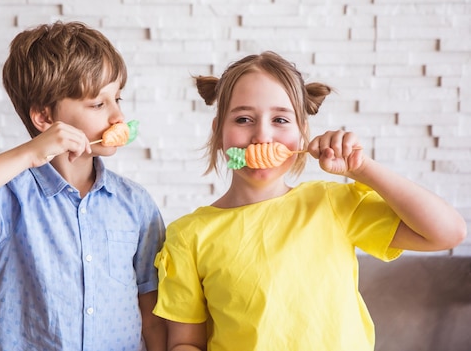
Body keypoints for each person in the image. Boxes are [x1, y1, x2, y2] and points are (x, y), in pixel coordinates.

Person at [152, 51, 467, 351]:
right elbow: (186, 342)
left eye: (280, 120)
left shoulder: (331, 204)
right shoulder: (189, 235)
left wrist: (363, 169)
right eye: (244, 119)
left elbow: (448, 233)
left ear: (303, 135)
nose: (262, 136)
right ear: (219, 132)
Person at [0, 21, 166, 351]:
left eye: (117, 98)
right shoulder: (5, 197)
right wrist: (28, 153)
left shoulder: (136, 203)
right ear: (43, 118)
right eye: (98, 104)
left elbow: (152, 313)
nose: (118, 116)